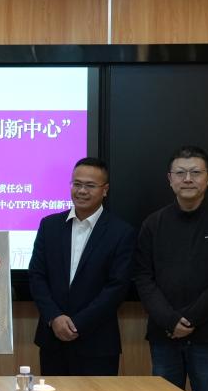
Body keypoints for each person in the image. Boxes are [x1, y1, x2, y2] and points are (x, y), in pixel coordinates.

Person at [133, 145, 208, 391]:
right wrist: (171, 320)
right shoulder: (153, 224)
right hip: (165, 336)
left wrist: (190, 319)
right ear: (170, 179)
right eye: (180, 173)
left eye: (196, 172)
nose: (188, 179)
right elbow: (142, 276)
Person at [28, 156, 135, 376]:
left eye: (90, 185)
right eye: (77, 184)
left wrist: (78, 324)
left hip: (97, 342)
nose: (82, 191)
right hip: (53, 339)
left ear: (105, 190)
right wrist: (54, 317)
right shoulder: (49, 226)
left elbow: (117, 288)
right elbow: (37, 276)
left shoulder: (121, 232)